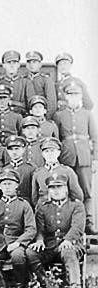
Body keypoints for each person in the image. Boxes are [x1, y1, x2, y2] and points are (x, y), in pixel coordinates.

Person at [28, 173, 86, 288]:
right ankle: (47, 286)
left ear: (66, 188)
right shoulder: (43, 207)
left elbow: (78, 226)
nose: (56, 191)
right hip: (50, 246)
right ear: (48, 190)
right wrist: (39, 240)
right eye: (52, 188)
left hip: (72, 243)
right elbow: (39, 228)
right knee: (31, 253)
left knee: (68, 251)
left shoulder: (76, 205)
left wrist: (68, 239)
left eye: (59, 187)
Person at [0, 168, 37, 288]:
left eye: (10, 183)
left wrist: (18, 243)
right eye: (4, 184)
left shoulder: (24, 205)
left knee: (18, 255)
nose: (7, 187)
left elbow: (31, 229)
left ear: (16, 185)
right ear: (0, 186)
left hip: (17, 242)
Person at [54, 82, 97, 233]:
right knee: (68, 191)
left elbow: (95, 139)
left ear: (80, 96)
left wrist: (95, 160)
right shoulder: (59, 115)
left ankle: (89, 223)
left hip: (84, 158)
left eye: (76, 94)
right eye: (70, 94)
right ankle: (69, 223)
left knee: (86, 192)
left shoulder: (87, 114)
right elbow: (57, 139)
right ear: (66, 97)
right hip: (67, 157)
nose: (73, 97)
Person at [25, 52, 57, 119]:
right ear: (26, 65)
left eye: (34, 62)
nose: (31, 65)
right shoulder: (23, 80)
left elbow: (51, 103)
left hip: (42, 116)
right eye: (29, 62)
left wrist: (46, 119)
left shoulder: (46, 80)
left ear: (40, 64)